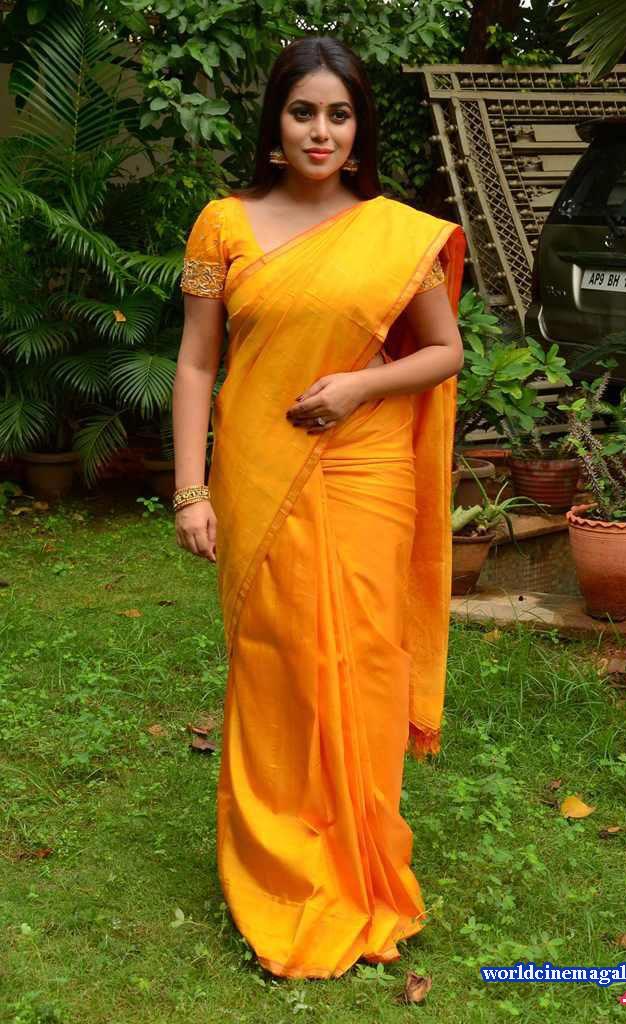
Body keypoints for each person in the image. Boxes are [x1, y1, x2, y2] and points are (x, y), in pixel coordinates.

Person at [172, 35, 465, 980]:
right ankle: (281, 867)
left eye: (339, 114)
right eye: (304, 112)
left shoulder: (395, 234)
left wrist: (356, 387)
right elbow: (197, 362)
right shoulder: (224, 224)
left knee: (366, 662)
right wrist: (189, 488)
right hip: (259, 471)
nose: (321, 131)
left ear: (359, 129)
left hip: (367, 470)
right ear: (276, 124)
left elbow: (445, 351)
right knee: (278, 662)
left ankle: (358, 858)